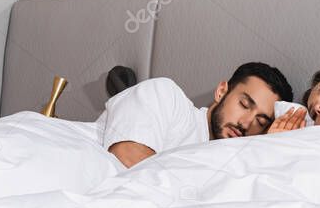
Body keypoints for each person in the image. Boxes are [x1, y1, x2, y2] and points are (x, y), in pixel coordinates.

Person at [102, 61, 295, 168]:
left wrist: (269, 150)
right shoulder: (167, 95)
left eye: (260, 121)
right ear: (221, 91)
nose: (245, 123)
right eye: (244, 104)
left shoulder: (230, 170)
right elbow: (127, 158)